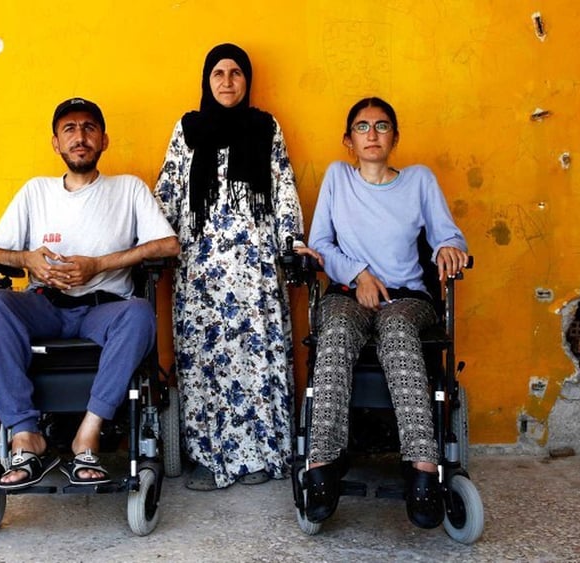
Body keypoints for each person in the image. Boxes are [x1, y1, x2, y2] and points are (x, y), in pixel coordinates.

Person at [0, 97, 179, 489]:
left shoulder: (128, 189)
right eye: (69, 129)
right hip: (45, 305)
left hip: (103, 310)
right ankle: (25, 434)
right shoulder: (35, 192)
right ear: (56, 143)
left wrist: (99, 265)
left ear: (104, 140)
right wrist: (27, 259)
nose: (80, 137)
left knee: (140, 312)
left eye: (89, 128)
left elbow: (169, 245)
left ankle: (88, 434)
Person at [299, 97, 469, 528]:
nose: (372, 134)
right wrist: (359, 275)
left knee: (395, 328)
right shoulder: (338, 178)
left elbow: (448, 234)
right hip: (347, 292)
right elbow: (320, 246)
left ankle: (423, 468)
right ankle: (322, 464)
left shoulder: (419, 180)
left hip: (407, 298)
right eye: (362, 127)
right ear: (348, 140)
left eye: (381, 126)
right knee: (336, 330)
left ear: (395, 136)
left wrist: (450, 247)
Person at [154, 43, 306, 490]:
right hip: (200, 270)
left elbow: (283, 187)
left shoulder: (265, 127)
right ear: (207, 80)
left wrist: (292, 242)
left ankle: (259, 455)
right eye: (218, 73)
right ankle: (208, 458)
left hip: (255, 267)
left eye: (235, 73)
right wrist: (150, 242)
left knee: (256, 359)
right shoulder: (188, 129)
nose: (226, 81)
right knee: (204, 360)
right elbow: (169, 189)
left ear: (247, 80)